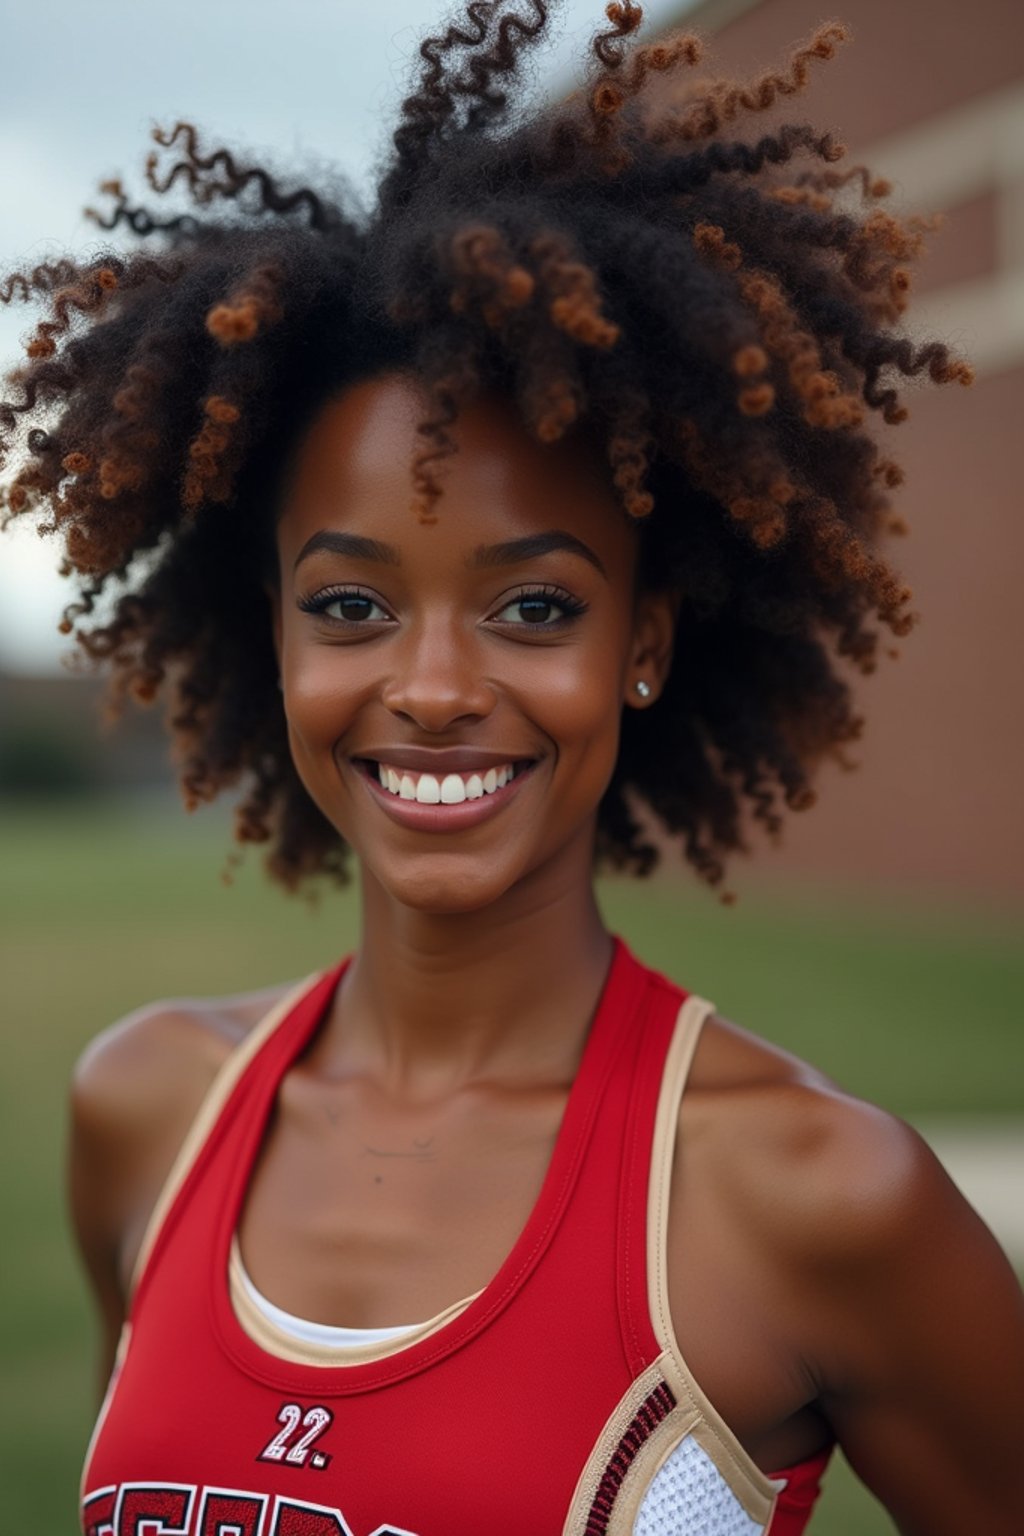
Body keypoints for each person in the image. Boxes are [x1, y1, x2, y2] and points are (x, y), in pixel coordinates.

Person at [2, 3, 1022, 1532]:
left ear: (646, 643)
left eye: (534, 606)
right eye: (348, 604)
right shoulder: (146, 1106)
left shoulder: (818, 1195)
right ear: (270, 637)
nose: (428, 689)